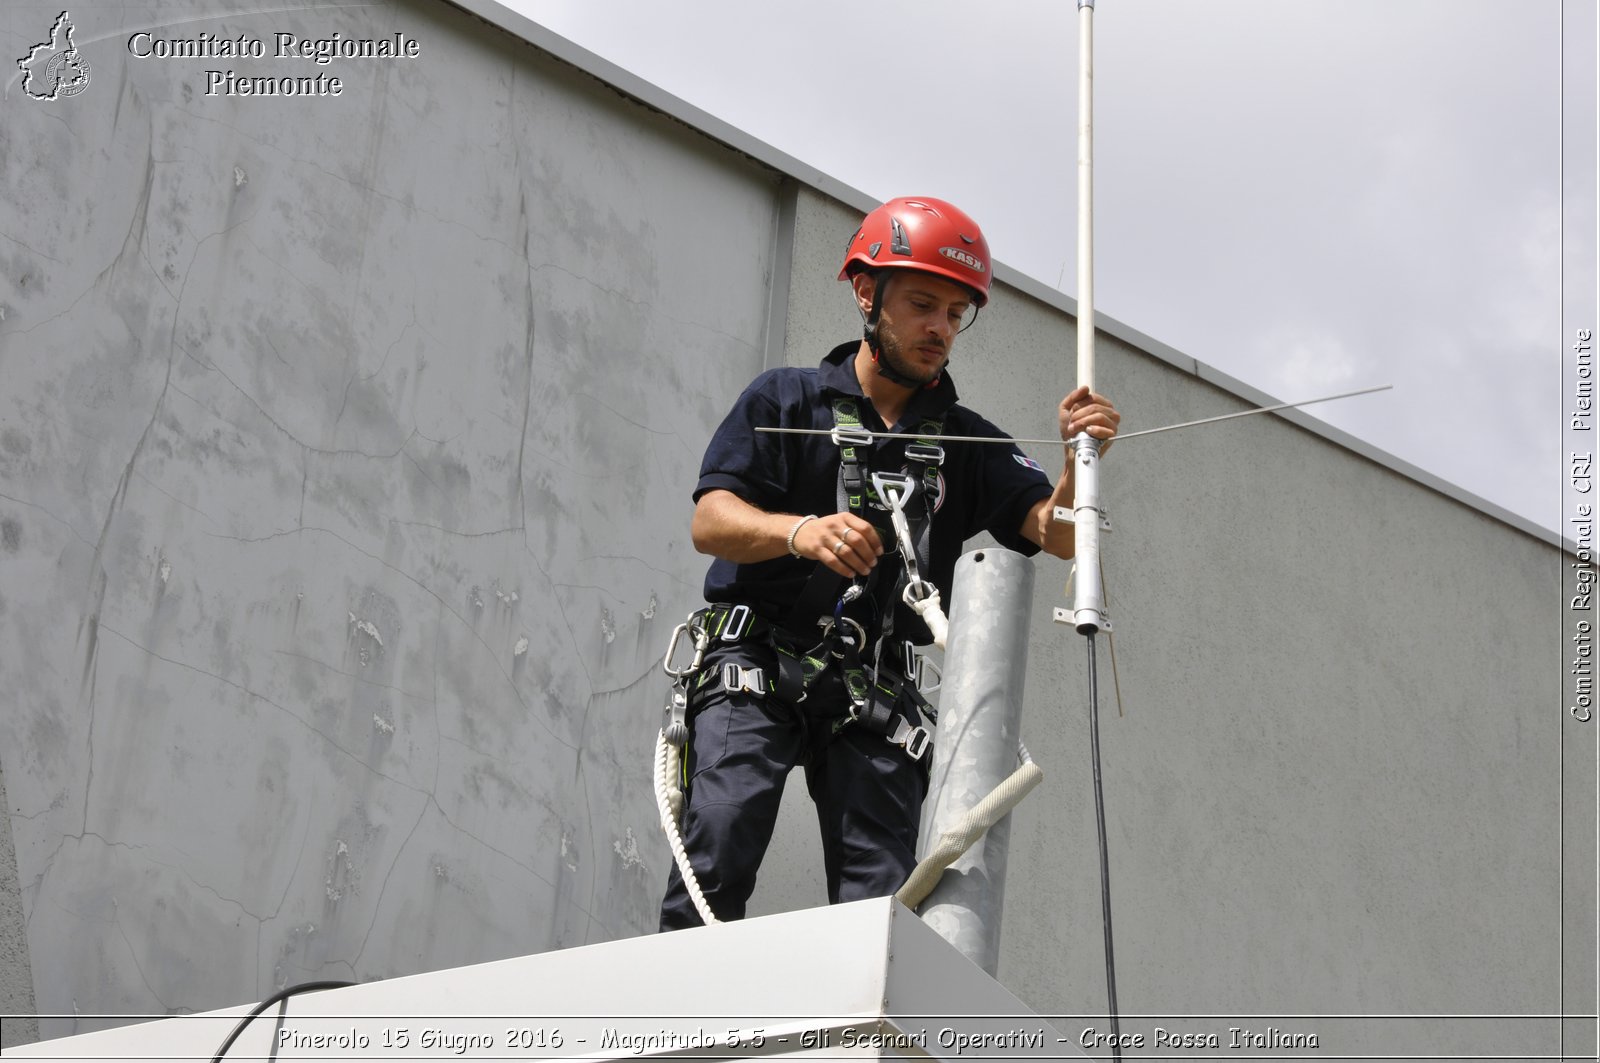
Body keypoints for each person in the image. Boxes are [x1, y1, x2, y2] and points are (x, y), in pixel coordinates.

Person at [659, 195, 1120, 930]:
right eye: (922, 304)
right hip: (757, 663)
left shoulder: (966, 442)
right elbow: (710, 520)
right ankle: (676, 1028)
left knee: (882, 907)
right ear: (866, 293)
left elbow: (1055, 532)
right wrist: (800, 531)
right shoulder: (789, 400)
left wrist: (1075, 464)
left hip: (872, 692)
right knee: (719, 844)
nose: (940, 327)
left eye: (955, 312)